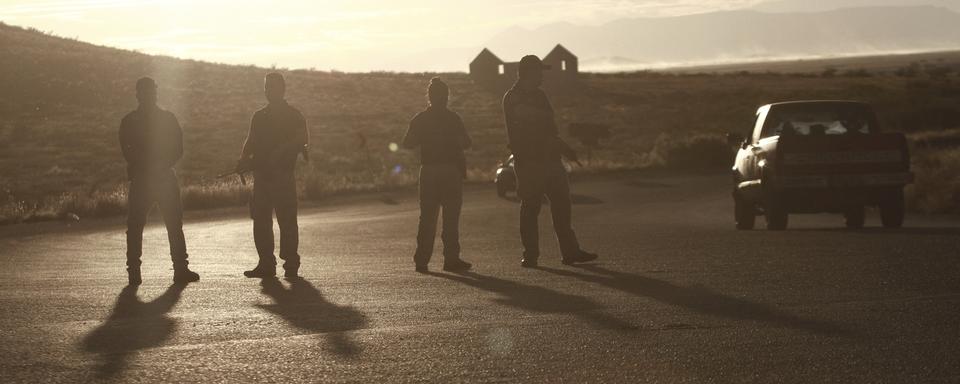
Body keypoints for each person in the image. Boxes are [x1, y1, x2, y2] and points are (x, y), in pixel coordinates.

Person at [502, 55, 598, 268]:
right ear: (528, 73)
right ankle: (531, 255)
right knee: (530, 208)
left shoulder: (538, 96)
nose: (542, 77)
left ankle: (570, 251)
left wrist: (564, 148)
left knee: (562, 206)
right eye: (539, 72)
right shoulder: (513, 98)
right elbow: (537, 123)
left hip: (550, 159)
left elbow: (549, 128)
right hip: (529, 162)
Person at [120, 77, 200, 285]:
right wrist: (159, 164)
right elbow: (177, 149)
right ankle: (177, 269)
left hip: (151, 176)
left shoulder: (132, 121)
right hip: (157, 176)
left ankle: (137, 272)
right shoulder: (163, 118)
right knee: (166, 224)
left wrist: (150, 165)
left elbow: (129, 151)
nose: (148, 95)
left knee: (149, 225)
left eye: (149, 91)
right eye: (147, 91)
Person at [239, 72, 309, 279]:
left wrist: (281, 152)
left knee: (286, 220)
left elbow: (302, 140)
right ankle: (266, 263)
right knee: (261, 221)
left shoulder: (294, 115)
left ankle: (291, 263)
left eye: (273, 87)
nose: (269, 91)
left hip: (282, 176)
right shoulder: (259, 116)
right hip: (262, 176)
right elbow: (250, 140)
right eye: (267, 87)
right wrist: (243, 159)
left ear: (282, 89)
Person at [403, 77, 473, 273]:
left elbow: (407, 143)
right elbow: (467, 143)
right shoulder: (453, 118)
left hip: (429, 170)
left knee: (427, 217)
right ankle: (451, 259)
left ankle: (422, 260)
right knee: (451, 218)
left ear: (430, 97)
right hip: (450, 170)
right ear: (446, 96)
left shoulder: (420, 119)